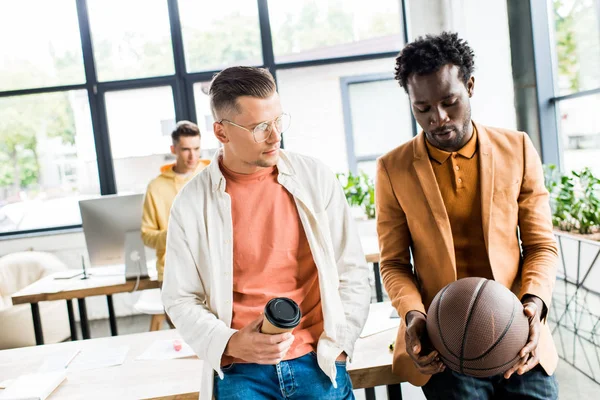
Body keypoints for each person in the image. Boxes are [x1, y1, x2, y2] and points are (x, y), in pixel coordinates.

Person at [161, 66, 371, 400]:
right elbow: (180, 297)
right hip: (241, 373)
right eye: (260, 127)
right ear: (221, 132)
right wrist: (230, 342)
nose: (275, 136)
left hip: (318, 362)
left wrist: (341, 347)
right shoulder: (190, 204)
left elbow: (352, 271)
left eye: (277, 121)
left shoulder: (316, 178)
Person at [375, 32, 559, 399]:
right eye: (422, 108)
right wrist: (414, 316)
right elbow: (394, 263)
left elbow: (541, 245)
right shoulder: (392, 168)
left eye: (449, 102)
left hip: (516, 328)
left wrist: (533, 305)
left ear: (470, 86)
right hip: (444, 340)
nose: (438, 119)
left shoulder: (518, 148)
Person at [141, 121, 210, 283]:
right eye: (186, 149)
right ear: (173, 150)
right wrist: (172, 234)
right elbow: (146, 235)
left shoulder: (212, 176)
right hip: (172, 275)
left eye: (196, 149)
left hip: (211, 270)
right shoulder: (155, 187)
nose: (193, 156)